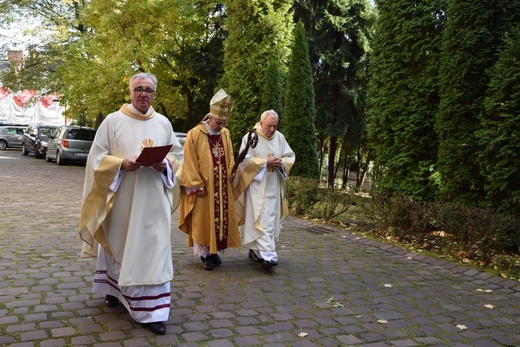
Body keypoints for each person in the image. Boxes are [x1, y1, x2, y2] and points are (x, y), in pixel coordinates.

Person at [79, 73, 184, 335]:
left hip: (154, 201)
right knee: (120, 242)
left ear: (155, 94)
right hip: (123, 198)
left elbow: (179, 158)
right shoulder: (113, 122)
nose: (144, 94)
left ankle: (152, 312)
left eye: (149, 90)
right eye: (139, 89)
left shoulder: (163, 123)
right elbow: (96, 158)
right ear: (130, 91)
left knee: (153, 249)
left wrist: (166, 165)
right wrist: (120, 164)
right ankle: (114, 290)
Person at [179, 89, 241, 271]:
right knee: (202, 220)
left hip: (221, 188)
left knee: (220, 220)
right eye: (219, 122)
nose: (221, 126)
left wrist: (232, 171)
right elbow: (189, 160)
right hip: (203, 187)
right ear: (210, 118)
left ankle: (215, 252)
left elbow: (229, 157)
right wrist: (196, 184)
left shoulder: (225, 134)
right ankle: (205, 255)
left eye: (224, 123)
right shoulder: (195, 134)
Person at [233, 110, 295, 270]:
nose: (272, 130)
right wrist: (264, 163)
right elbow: (243, 160)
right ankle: (268, 255)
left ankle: (256, 250)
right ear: (261, 124)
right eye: (269, 126)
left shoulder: (280, 138)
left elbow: (290, 156)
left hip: (273, 186)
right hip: (256, 187)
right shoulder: (251, 137)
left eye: (275, 126)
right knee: (260, 219)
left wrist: (281, 162)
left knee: (269, 218)